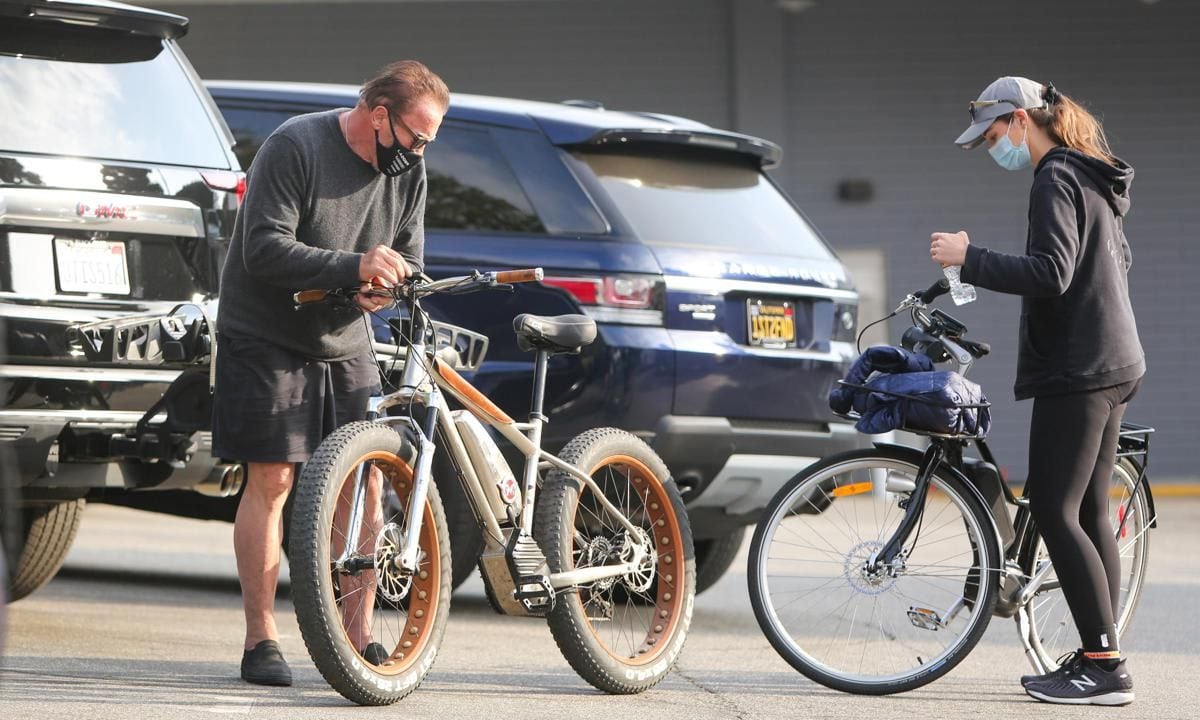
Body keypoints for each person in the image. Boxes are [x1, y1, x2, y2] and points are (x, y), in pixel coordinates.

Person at [212, 60, 449, 687]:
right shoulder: (295, 146)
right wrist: (353, 266)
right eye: (418, 136)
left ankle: (358, 636)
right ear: (378, 115)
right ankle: (261, 639)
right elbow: (262, 248)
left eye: (431, 140)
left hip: (345, 339)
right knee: (273, 478)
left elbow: (411, 258)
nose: (422, 151)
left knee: (366, 481)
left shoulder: (410, 171)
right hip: (265, 334)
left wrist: (385, 288)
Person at [931, 76, 1145, 706]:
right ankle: (1097, 650)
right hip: (1114, 359)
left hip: (1079, 368)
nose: (996, 148)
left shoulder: (1054, 175)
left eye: (995, 135)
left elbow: (1052, 273)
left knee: (1054, 507)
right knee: (1087, 510)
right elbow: (1115, 264)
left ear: (1022, 120)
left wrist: (968, 257)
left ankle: (1105, 667)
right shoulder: (1093, 175)